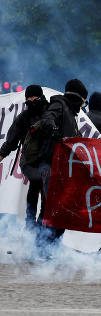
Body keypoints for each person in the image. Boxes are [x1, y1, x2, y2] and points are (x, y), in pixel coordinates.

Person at [37, 79, 88, 247]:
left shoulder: (71, 114)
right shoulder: (59, 105)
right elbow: (47, 119)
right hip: (51, 164)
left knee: (61, 208)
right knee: (51, 207)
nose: (82, 106)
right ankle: (41, 247)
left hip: (63, 169)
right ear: (78, 98)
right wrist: (54, 131)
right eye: (82, 102)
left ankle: (52, 246)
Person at [0, 85, 48, 230]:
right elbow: (11, 141)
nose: (32, 101)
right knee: (35, 179)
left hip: (46, 158)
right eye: (29, 98)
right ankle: (30, 222)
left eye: (35, 98)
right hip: (28, 158)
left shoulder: (50, 113)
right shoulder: (23, 117)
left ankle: (41, 223)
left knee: (47, 186)